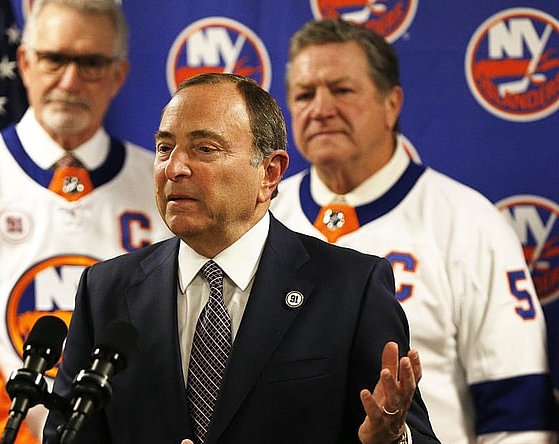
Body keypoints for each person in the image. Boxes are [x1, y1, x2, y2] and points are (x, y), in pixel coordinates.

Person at [43, 72, 438, 443]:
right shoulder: (105, 291)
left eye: (205, 148)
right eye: (165, 148)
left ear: (269, 173)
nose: (174, 168)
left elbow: (408, 431)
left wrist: (391, 440)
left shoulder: (352, 290)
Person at [271, 18, 559, 443]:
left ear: (392, 103)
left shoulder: (467, 222)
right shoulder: (261, 217)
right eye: (304, 94)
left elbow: (518, 412)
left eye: (342, 90)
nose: (321, 108)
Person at [0, 0, 172, 442]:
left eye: (90, 63)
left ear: (118, 75)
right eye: (54, 59)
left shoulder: (161, 183)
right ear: (25, 62)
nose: (69, 81)